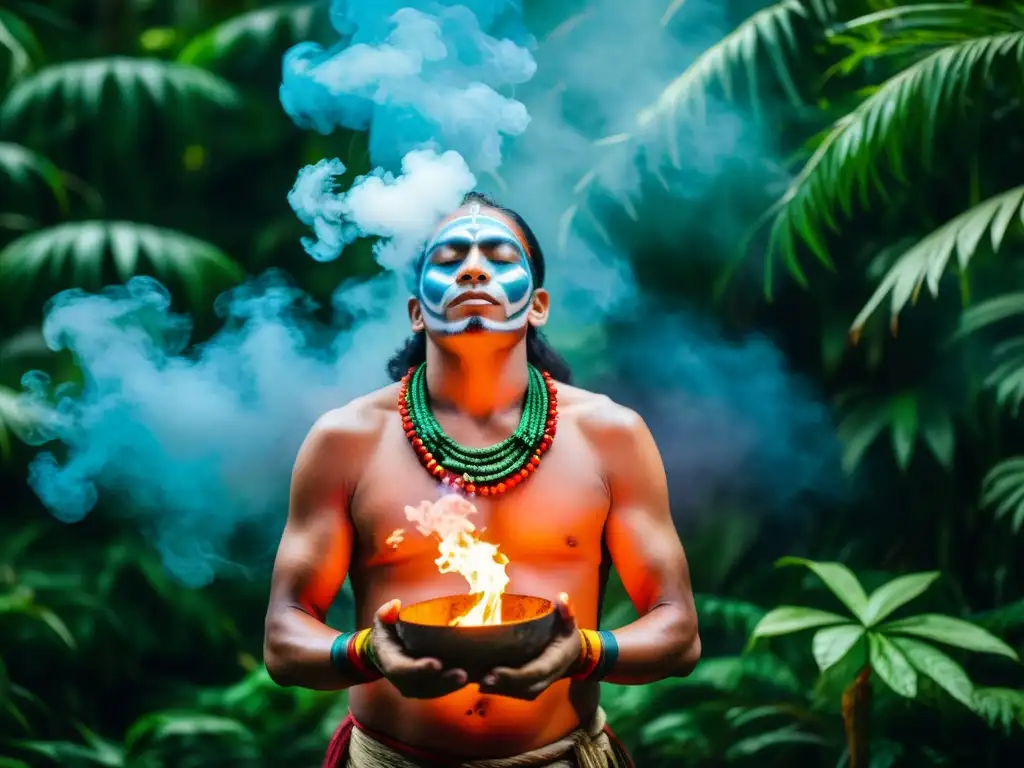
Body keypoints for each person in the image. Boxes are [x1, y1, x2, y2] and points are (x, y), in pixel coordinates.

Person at [263, 192, 701, 767]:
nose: (473, 268)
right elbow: (283, 638)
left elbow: (680, 633)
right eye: (448, 260)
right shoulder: (345, 440)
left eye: (498, 256)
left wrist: (584, 652)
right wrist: (369, 653)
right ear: (417, 310)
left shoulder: (611, 436)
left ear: (538, 305)